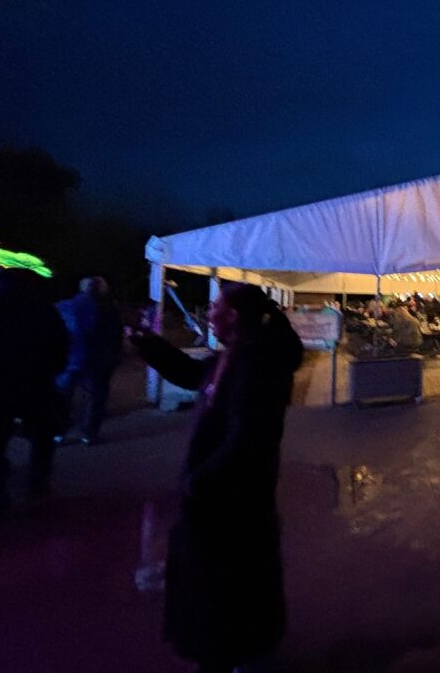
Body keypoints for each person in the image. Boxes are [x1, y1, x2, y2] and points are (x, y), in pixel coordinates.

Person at [128, 282, 303, 672]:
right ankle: (238, 645)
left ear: (233, 316)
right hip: (225, 488)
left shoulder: (256, 363)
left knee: (225, 579)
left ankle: (231, 649)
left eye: (214, 307)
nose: (209, 314)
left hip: (231, 494)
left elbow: (249, 435)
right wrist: (149, 344)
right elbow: (194, 375)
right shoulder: (237, 355)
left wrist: (203, 479)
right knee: (230, 574)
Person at [0, 269, 69, 514]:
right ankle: (38, 485)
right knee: (42, 437)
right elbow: (60, 346)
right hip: (35, 384)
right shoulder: (43, 310)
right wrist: (50, 371)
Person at [55, 276, 123, 445]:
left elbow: (54, 332)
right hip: (98, 361)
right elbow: (115, 337)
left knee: (64, 397)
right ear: (100, 289)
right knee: (95, 398)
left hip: (70, 359)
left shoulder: (65, 306)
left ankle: (58, 432)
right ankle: (88, 433)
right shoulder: (108, 310)